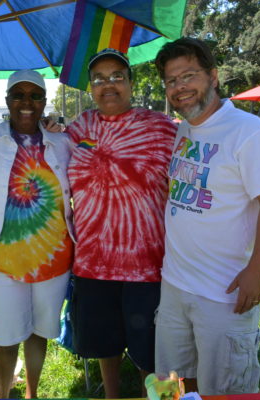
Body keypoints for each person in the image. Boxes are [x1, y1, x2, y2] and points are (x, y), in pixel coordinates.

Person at [153, 37, 260, 396]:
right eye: (171, 80)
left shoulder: (248, 131)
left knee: (226, 391)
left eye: (188, 75)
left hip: (223, 292)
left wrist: (256, 270)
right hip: (175, 285)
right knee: (175, 386)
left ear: (213, 76)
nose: (179, 87)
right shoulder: (185, 128)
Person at [0, 69, 74, 399]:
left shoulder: (63, 143)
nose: (26, 102)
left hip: (53, 259)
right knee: (4, 337)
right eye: (18, 95)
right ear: (6, 100)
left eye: (35, 95)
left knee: (38, 333)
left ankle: (33, 393)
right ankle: (4, 395)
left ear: (44, 102)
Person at [66, 48, 177, 398]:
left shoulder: (160, 127)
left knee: (154, 347)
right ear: (90, 87)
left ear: (131, 83)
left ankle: (156, 397)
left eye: (117, 76)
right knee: (104, 343)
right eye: (99, 79)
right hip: (93, 262)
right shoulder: (76, 128)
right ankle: (113, 395)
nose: (108, 84)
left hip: (147, 262)